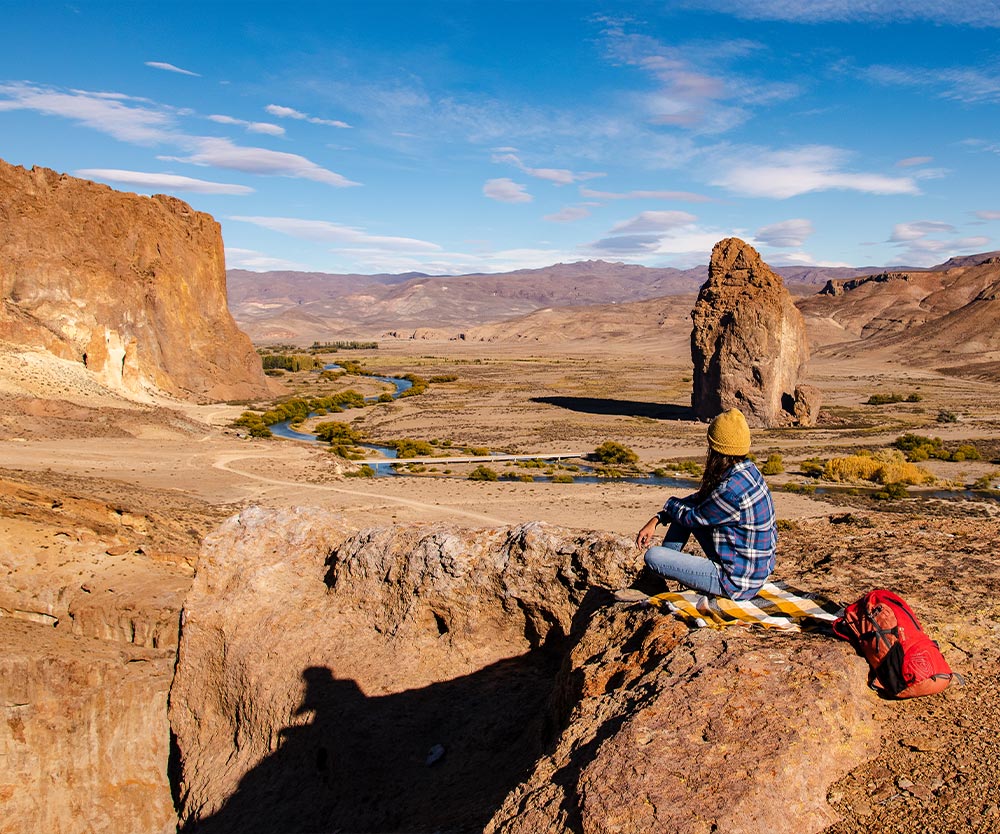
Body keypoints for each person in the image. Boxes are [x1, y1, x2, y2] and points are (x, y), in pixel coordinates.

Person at [634, 408, 776, 601]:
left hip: (734, 583)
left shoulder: (730, 491)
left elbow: (691, 516)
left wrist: (663, 512)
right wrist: (659, 517)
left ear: (716, 449)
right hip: (753, 571)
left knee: (653, 556)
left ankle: (654, 579)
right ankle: (655, 578)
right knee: (683, 514)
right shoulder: (749, 473)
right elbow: (700, 502)